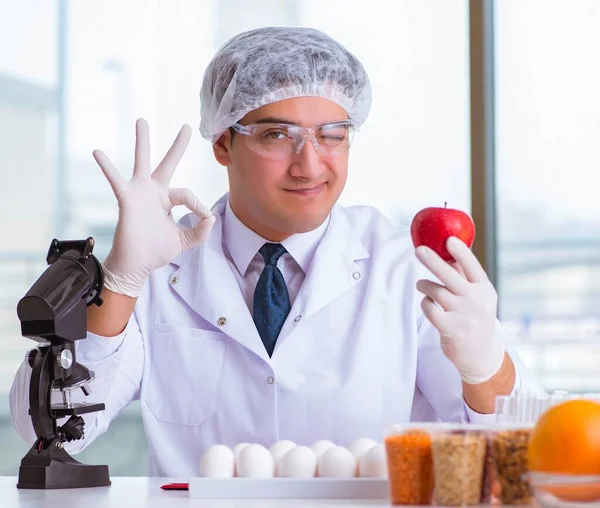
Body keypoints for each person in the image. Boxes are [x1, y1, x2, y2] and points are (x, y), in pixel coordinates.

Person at [10, 26, 545, 477]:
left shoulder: (401, 267)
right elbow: (47, 430)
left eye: (331, 134)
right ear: (222, 142)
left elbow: (518, 455)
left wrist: (484, 364)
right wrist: (121, 282)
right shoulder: (159, 267)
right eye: (277, 135)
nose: (309, 165)